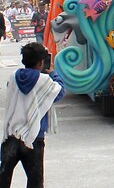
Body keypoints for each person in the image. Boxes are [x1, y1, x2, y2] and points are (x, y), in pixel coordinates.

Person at [0, 42, 65, 187]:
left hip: (12, 134)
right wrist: (53, 73)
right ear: (42, 62)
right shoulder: (45, 81)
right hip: (34, 137)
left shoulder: (13, 76)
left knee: (3, 178)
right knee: (35, 181)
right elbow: (59, 92)